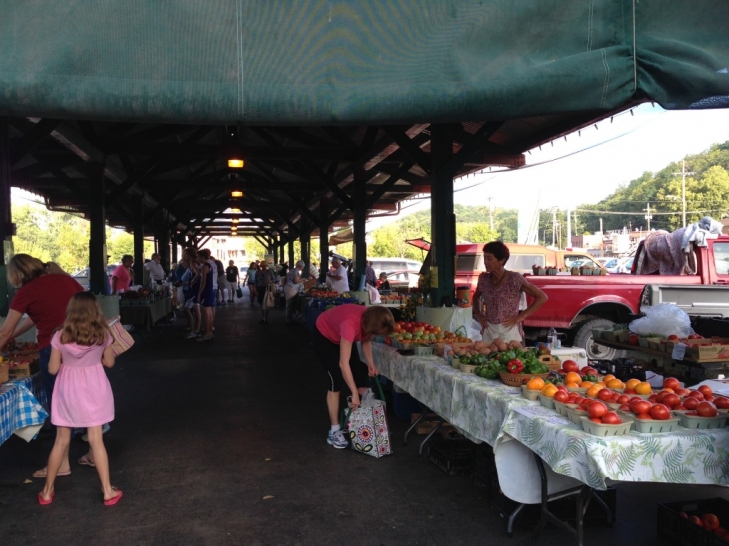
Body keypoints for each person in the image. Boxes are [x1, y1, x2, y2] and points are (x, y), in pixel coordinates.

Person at [0, 254, 84, 477]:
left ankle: (62, 463)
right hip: (83, 346)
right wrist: (12, 336)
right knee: (85, 398)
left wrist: (6, 338)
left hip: (54, 348)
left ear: (17, 274)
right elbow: (38, 315)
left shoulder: (25, 291)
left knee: (59, 405)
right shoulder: (63, 279)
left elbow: (5, 330)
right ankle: (95, 451)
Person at [38, 292, 122, 506]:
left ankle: (47, 491)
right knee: (96, 439)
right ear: (96, 310)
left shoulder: (60, 335)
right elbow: (110, 363)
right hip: (94, 388)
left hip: (67, 390)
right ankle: (107, 491)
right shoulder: (103, 333)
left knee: (61, 440)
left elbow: (53, 368)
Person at [313, 305, 395, 449]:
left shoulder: (371, 319)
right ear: (371, 327)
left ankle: (366, 424)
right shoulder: (350, 324)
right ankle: (334, 431)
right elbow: (343, 363)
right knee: (335, 379)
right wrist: (353, 392)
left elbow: (366, 341)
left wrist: (370, 364)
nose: (375, 336)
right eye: (375, 333)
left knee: (360, 375)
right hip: (324, 335)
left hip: (342, 336)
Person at [472, 241, 548, 345]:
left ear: (501, 261)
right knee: (488, 359)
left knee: (513, 359)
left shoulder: (514, 279)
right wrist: (479, 316)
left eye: (489, 259)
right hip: (489, 330)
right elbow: (475, 298)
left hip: (510, 331)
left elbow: (542, 297)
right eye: (484, 258)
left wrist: (521, 317)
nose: (485, 262)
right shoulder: (483, 279)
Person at [196, 250, 215, 341]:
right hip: (210, 290)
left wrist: (199, 294)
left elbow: (203, 282)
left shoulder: (204, 267)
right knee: (209, 312)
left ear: (203, 257)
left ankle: (207, 333)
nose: (198, 258)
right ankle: (210, 332)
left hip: (206, 291)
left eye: (199, 256)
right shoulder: (209, 266)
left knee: (206, 313)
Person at [283, 260, 305, 325]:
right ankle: (289, 320)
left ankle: (289, 319)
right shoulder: (297, 271)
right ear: (301, 266)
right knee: (290, 305)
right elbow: (295, 281)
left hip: (287, 287)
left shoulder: (292, 270)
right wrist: (302, 280)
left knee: (288, 304)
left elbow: (285, 279)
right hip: (291, 289)